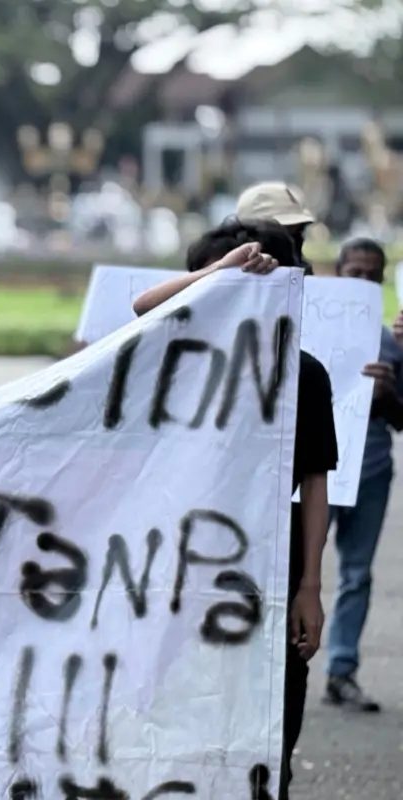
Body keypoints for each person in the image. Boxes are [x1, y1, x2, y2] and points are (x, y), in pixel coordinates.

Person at [133, 219, 337, 800]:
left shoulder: (305, 372)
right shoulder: (179, 356)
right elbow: (143, 308)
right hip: (181, 573)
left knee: (270, 732)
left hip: (272, 569)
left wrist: (309, 588)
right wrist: (222, 270)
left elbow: (315, 484)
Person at [325, 238, 402, 712]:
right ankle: (285, 669)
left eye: (372, 275)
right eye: (355, 272)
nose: (363, 282)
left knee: (356, 575)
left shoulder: (392, 344)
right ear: (338, 274)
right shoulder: (312, 329)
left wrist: (387, 394)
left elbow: (402, 418)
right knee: (298, 573)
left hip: (371, 470)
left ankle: (341, 670)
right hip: (318, 469)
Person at [236, 182, 316, 271]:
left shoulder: (300, 275)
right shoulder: (224, 276)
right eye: (280, 235)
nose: (290, 244)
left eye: (298, 231)